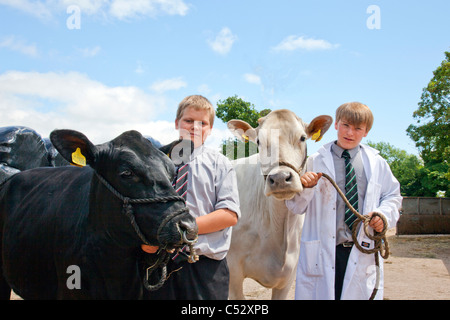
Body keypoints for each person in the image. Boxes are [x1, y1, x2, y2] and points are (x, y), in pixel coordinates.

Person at [285, 102, 402, 300]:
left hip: (362, 247)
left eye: (358, 128)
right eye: (346, 125)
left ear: (366, 132)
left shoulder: (377, 163)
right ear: (337, 125)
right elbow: (295, 206)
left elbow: (392, 195)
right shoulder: (314, 161)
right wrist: (305, 187)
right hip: (324, 251)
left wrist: (383, 215)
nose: (350, 132)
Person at [142, 95, 241, 299]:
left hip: (204, 266)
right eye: (188, 121)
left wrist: (179, 230)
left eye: (202, 123)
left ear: (210, 129)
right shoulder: (155, 164)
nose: (194, 127)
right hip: (159, 262)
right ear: (177, 123)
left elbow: (229, 215)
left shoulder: (220, 164)